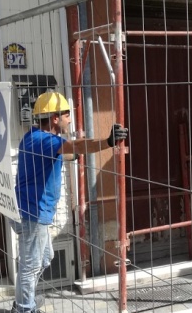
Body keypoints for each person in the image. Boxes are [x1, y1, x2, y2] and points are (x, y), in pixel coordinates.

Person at [11, 92, 128, 313]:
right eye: (66, 114)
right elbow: (76, 146)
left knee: (45, 258)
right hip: (32, 212)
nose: (70, 119)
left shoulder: (34, 137)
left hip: (30, 209)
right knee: (31, 265)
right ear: (54, 118)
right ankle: (24, 308)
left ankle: (24, 301)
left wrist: (69, 154)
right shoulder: (45, 140)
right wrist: (108, 141)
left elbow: (64, 151)